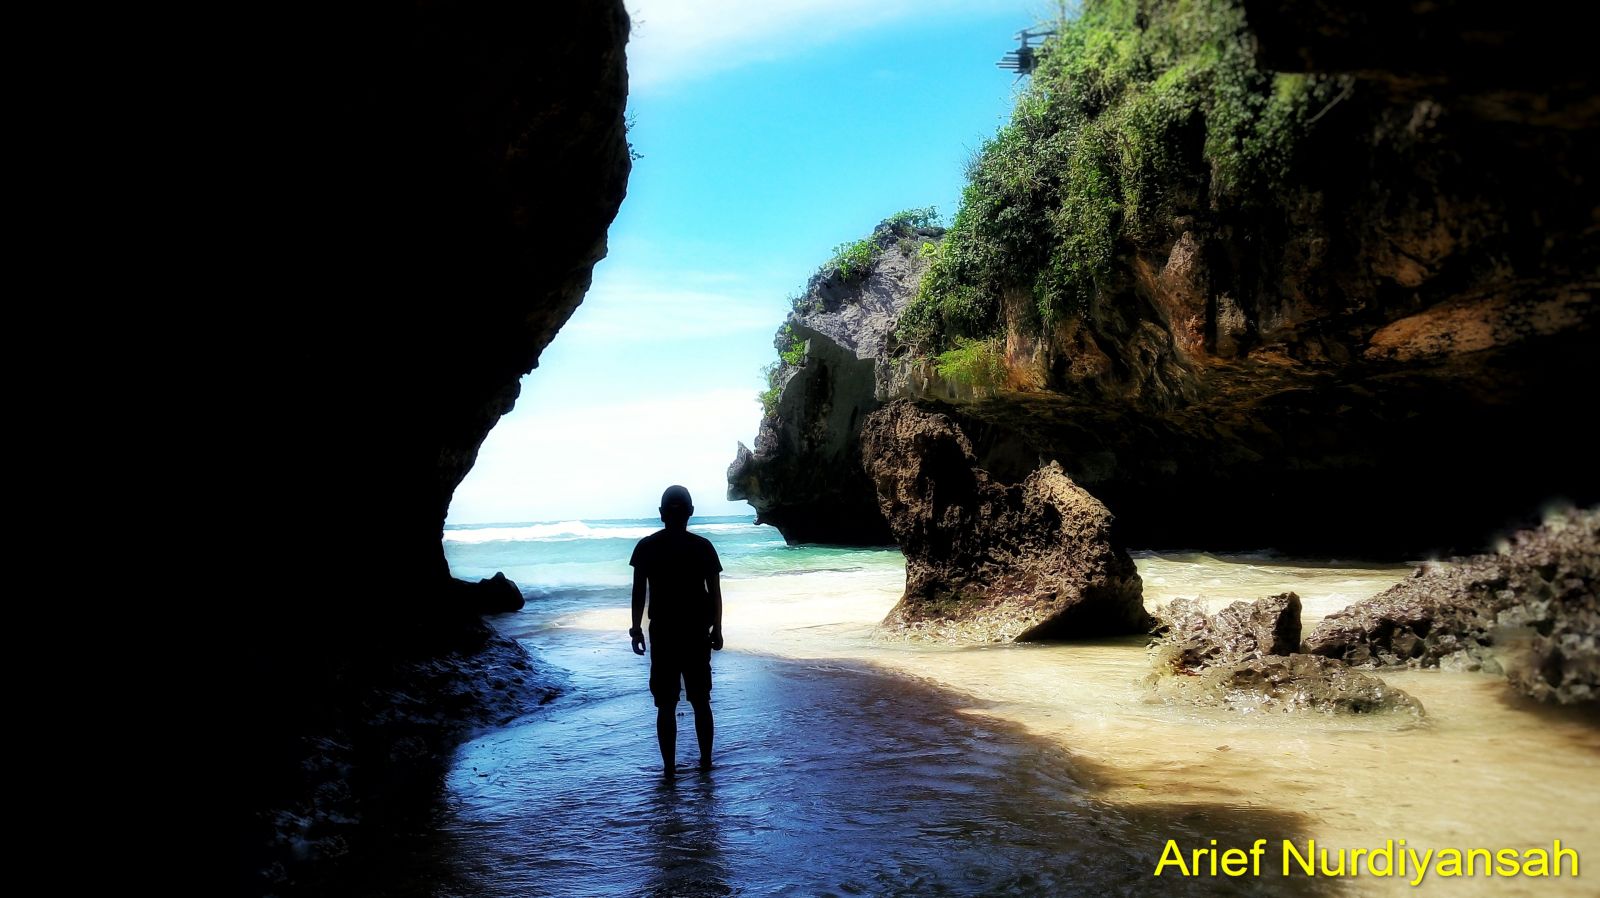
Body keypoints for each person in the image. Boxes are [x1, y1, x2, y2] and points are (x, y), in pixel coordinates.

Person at [629, 485, 724, 776]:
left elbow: (638, 593)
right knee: (700, 701)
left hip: (664, 633)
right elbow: (716, 593)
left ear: (660, 514)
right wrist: (718, 628)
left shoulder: (647, 547)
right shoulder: (703, 547)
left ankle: (669, 770)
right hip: (696, 632)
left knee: (666, 705)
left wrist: (636, 629)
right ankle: (705, 764)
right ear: (691, 513)